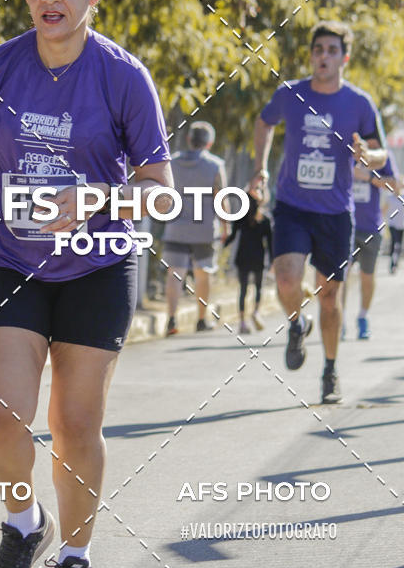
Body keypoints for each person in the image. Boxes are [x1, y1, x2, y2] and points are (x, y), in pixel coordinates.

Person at [0, 0, 172, 568]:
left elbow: (160, 190)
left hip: (100, 266)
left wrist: (97, 197)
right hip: (15, 260)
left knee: (75, 425)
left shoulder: (124, 76)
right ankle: (25, 522)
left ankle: (74, 559)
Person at [251, 20, 387, 404]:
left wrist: (368, 155)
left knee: (330, 296)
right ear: (311, 56)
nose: (322, 57)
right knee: (286, 280)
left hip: (335, 214)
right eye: (317, 50)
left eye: (331, 51)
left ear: (344, 58)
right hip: (293, 207)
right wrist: (261, 168)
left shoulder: (359, 103)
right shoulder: (289, 93)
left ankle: (330, 369)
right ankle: (297, 323)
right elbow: (264, 124)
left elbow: (381, 153)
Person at [162, 121, 227, 335]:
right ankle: (201, 319)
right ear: (209, 143)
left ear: (190, 139)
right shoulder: (215, 165)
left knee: (174, 274)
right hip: (204, 229)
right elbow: (221, 199)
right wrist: (226, 227)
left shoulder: (173, 162)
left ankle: (171, 320)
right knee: (203, 274)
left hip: (175, 227)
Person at [343, 155, 396, 339]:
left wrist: (368, 177)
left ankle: (363, 316)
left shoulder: (381, 155)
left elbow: (395, 185)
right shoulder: (345, 148)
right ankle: (339, 318)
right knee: (342, 275)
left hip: (370, 228)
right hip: (343, 224)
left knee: (367, 277)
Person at [223, 186, 272, 334]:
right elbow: (270, 243)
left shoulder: (240, 218)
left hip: (243, 258)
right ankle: (256, 312)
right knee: (258, 288)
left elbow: (231, 237)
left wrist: (223, 243)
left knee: (243, 290)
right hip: (258, 258)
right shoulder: (265, 220)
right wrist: (273, 261)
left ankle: (242, 322)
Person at [386, 181, 404, 273]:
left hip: (401, 225)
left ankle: (396, 263)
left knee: (399, 245)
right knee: (394, 244)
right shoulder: (390, 197)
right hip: (392, 224)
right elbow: (384, 209)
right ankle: (392, 265)